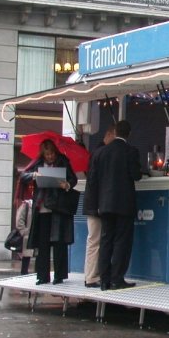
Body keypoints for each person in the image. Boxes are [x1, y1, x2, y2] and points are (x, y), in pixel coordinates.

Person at [86, 120, 142, 290]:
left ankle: (104, 280)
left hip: (104, 204)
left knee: (106, 241)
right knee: (121, 242)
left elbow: (93, 179)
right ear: (129, 134)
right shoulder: (131, 151)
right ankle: (117, 278)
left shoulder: (100, 152)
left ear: (115, 132)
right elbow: (136, 175)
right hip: (124, 204)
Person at [20, 139, 78, 285]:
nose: (50, 156)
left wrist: (67, 185)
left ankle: (59, 276)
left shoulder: (63, 161)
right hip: (42, 208)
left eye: (52, 153)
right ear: (43, 153)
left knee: (59, 242)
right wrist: (34, 176)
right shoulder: (37, 163)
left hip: (58, 207)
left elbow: (73, 179)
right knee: (42, 243)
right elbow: (23, 176)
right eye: (47, 154)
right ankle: (42, 276)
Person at [82, 124, 116, 288]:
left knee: (93, 239)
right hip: (96, 204)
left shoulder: (96, 153)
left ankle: (90, 275)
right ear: (109, 135)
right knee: (95, 240)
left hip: (92, 203)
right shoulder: (102, 154)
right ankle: (92, 276)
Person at [15, 185, 35, 275]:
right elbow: (19, 221)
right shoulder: (26, 205)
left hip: (36, 235)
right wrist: (25, 232)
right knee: (26, 258)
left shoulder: (40, 205)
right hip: (27, 236)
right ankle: (23, 276)